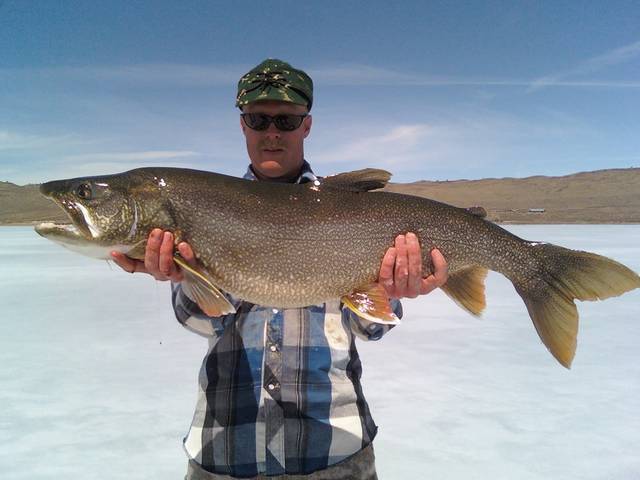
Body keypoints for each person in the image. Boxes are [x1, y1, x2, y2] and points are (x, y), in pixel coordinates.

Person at [112, 59, 448, 480]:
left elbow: (371, 329)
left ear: (306, 126)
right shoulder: (204, 209)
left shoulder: (351, 213)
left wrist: (394, 289)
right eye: (259, 119)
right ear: (243, 125)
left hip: (335, 455)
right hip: (226, 453)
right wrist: (184, 275)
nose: (272, 132)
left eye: (285, 121)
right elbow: (200, 322)